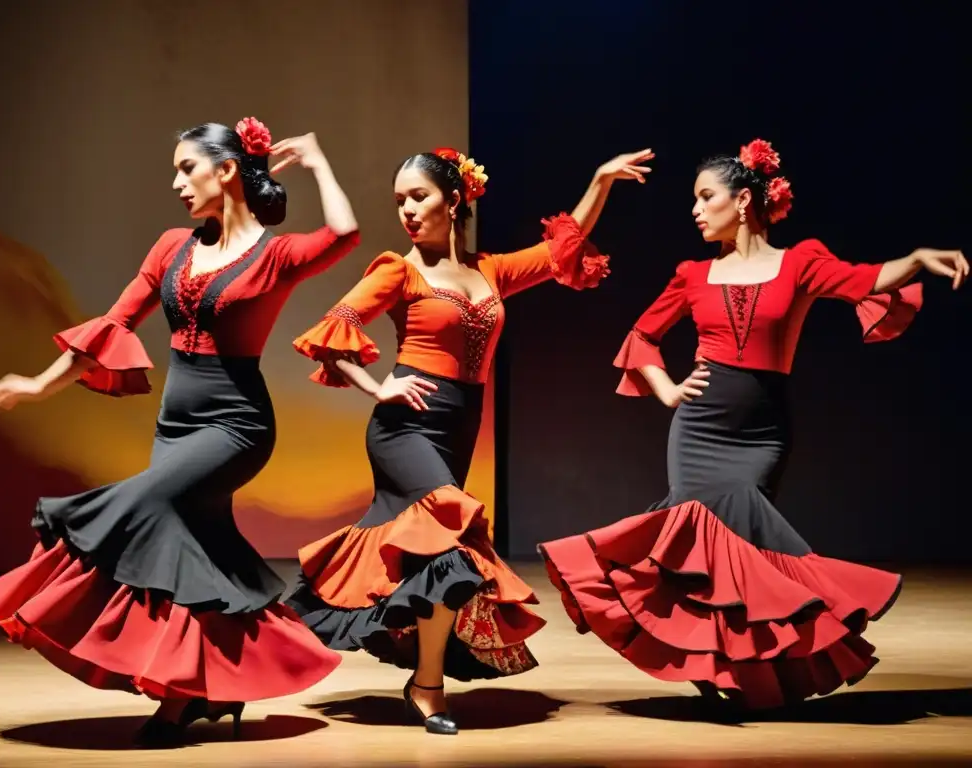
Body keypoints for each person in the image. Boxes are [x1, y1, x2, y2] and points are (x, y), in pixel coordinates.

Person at [539, 138, 968, 711]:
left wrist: (915, 260)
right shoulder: (693, 274)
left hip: (761, 434)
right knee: (695, 544)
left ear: (742, 201)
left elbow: (865, 280)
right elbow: (643, 337)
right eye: (694, 199)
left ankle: (745, 670)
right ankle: (719, 671)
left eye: (705, 196)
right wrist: (668, 392)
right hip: (698, 430)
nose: (695, 209)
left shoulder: (801, 262)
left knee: (744, 548)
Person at [0, 117, 361, 745]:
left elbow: (344, 233)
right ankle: (191, 697)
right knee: (185, 559)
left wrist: (317, 161)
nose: (176, 181)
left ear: (226, 170)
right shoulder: (171, 246)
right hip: (176, 424)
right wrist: (41, 384)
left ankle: (178, 696)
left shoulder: (276, 254)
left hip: (235, 426)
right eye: (176, 170)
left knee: (146, 504)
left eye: (187, 167)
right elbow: (113, 322)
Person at [285, 145, 653, 734]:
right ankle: (427, 686)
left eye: (419, 196)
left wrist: (601, 179)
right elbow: (333, 333)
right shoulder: (397, 269)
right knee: (454, 539)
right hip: (405, 428)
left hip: (457, 428)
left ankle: (424, 681)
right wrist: (377, 387)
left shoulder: (491, 270)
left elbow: (563, 248)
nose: (406, 210)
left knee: (440, 558)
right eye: (399, 200)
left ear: (454, 200)